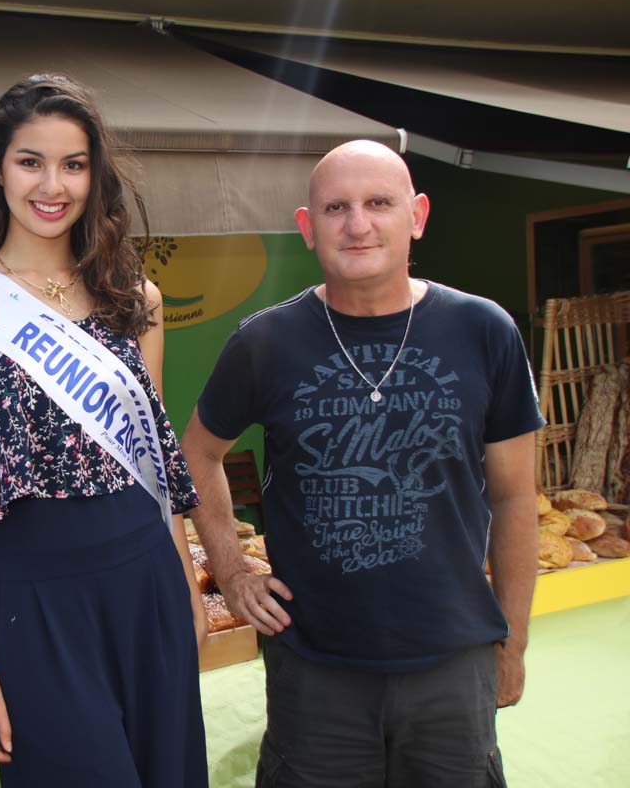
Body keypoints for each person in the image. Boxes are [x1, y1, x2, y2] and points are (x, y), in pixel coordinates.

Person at [181, 140, 543, 786]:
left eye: (379, 203)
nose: (358, 224)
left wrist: (512, 642)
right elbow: (198, 455)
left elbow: (516, 497)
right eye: (336, 207)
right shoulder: (264, 344)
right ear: (307, 227)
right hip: (317, 674)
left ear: (418, 216)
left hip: (453, 667)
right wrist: (233, 573)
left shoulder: (486, 333)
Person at [0, 74, 208, 787]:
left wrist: (190, 589)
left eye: (74, 164)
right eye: (30, 161)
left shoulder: (137, 300)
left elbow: (154, 465)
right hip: (31, 597)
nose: (54, 184)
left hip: (146, 584)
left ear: (95, 174)